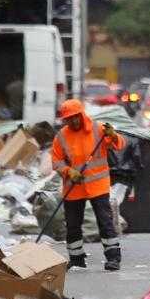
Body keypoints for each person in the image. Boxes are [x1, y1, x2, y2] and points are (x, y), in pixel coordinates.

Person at [52, 99, 125, 271]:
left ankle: (113, 258)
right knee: (72, 224)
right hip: (74, 187)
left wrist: (113, 135)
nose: (73, 121)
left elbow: (119, 145)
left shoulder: (98, 129)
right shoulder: (61, 136)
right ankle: (77, 259)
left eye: (76, 117)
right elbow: (56, 161)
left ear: (82, 114)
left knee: (105, 221)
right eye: (69, 119)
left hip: (98, 185)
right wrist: (69, 172)